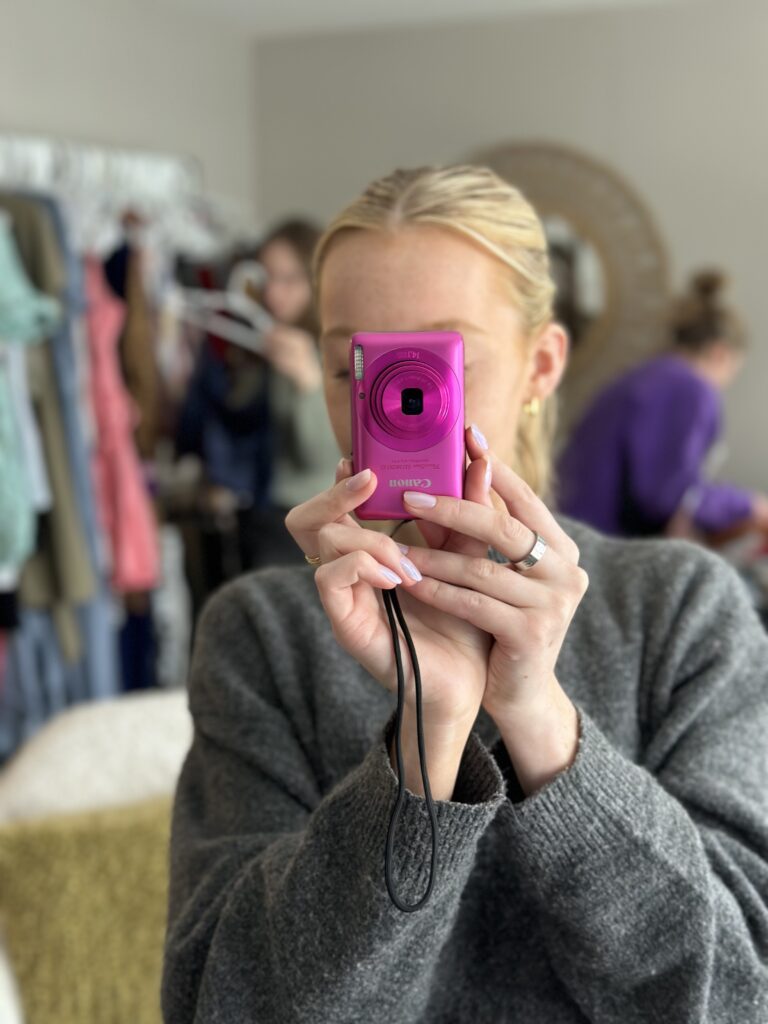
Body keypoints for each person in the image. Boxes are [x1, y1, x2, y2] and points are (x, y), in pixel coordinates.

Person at [162, 166, 768, 1022]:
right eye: (353, 369)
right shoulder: (262, 633)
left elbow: (739, 996)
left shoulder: (681, 611)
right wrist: (426, 738)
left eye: (434, 364)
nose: (399, 406)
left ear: (542, 363)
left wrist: (539, 720)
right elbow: (221, 1006)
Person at [557, 270, 768, 539]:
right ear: (720, 354)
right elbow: (669, 495)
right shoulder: (690, 388)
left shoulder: (647, 376)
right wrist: (748, 505)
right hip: (597, 542)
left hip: (572, 526)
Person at [254, 218, 342, 566]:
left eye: (288, 279)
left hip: (312, 521)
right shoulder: (268, 340)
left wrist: (307, 380)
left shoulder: (333, 350)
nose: (273, 292)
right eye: (266, 279)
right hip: (266, 514)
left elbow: (321, 455)